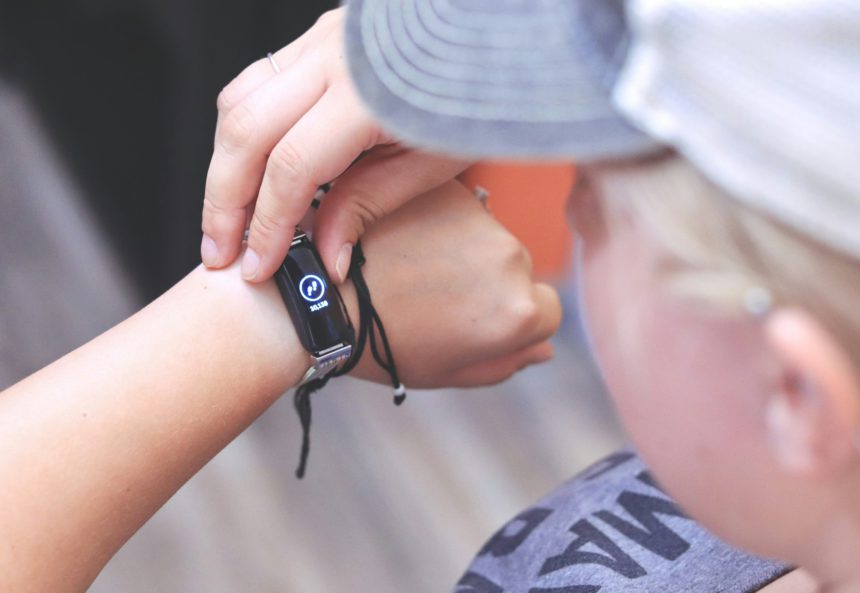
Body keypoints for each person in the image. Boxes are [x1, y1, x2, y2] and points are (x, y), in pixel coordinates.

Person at [200, 1, 860, 591]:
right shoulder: (757, 465)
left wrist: (285, 324)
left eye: (598, 193)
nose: (572, 208)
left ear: (796, 395)